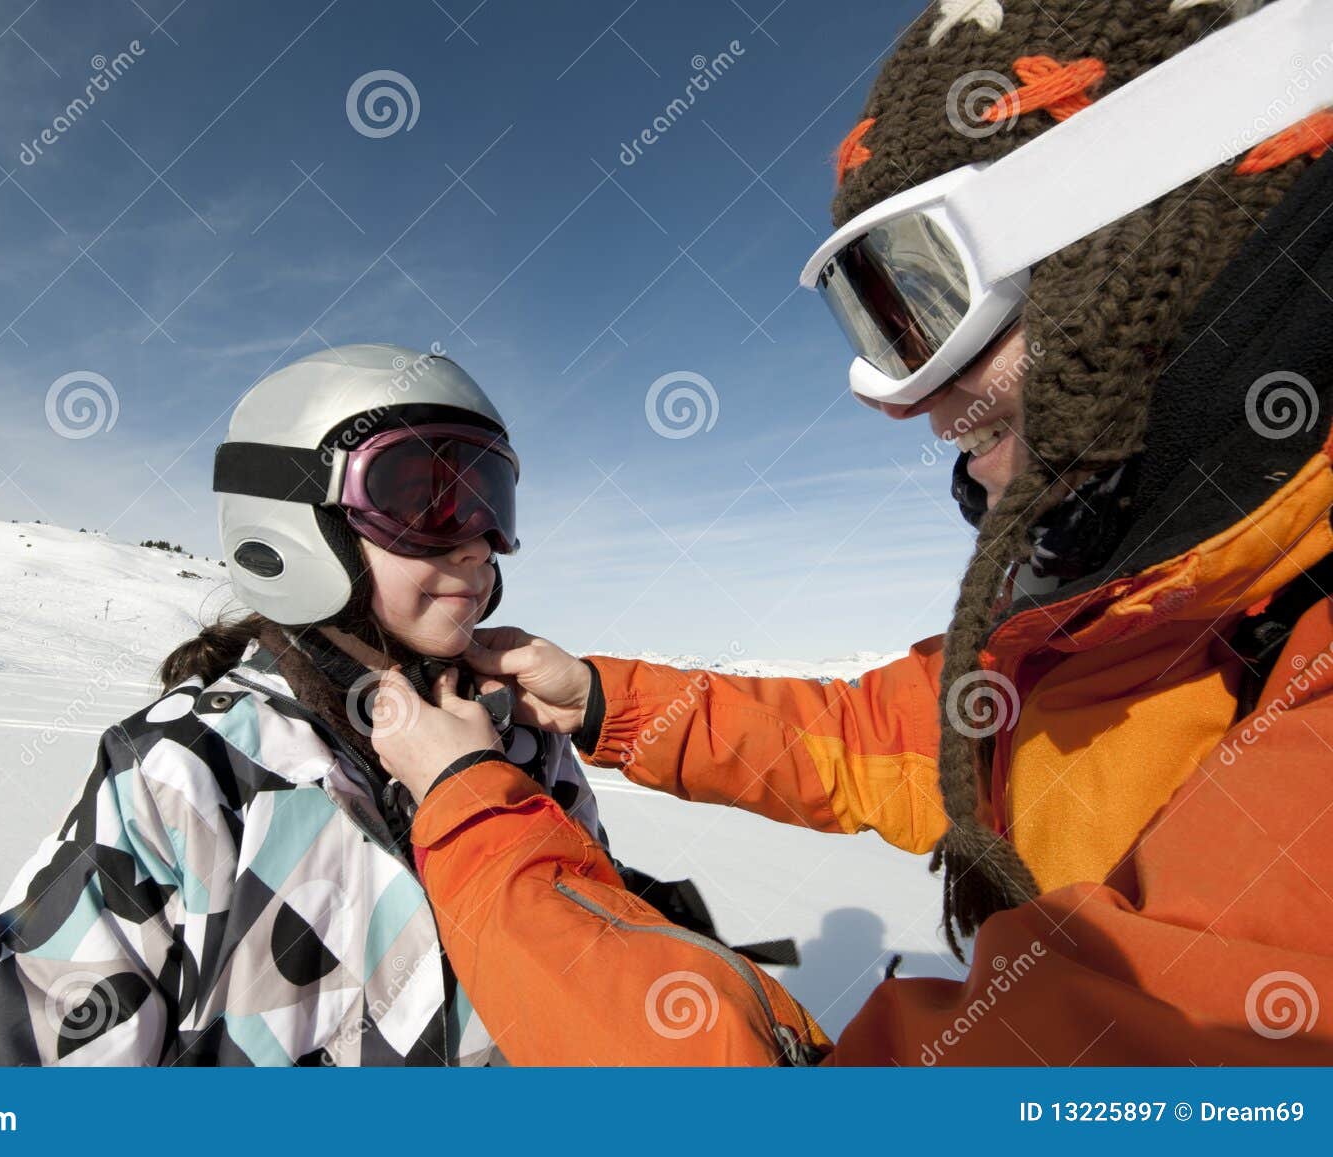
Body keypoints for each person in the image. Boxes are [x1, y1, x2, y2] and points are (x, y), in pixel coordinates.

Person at [367, 0, 1333, 1064]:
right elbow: (875, 744)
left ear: (1144, 244)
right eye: (874, 313)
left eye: (924, 302)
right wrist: (603, 699)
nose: (898, 398)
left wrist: (475, 818)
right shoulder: (1134, 621)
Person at [0, 343, 619, 1065]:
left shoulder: (525, 745)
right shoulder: (184, 771)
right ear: (295, 517)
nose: (479, 543)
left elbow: (602, 983)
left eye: (491, 504)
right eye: (429, 499)